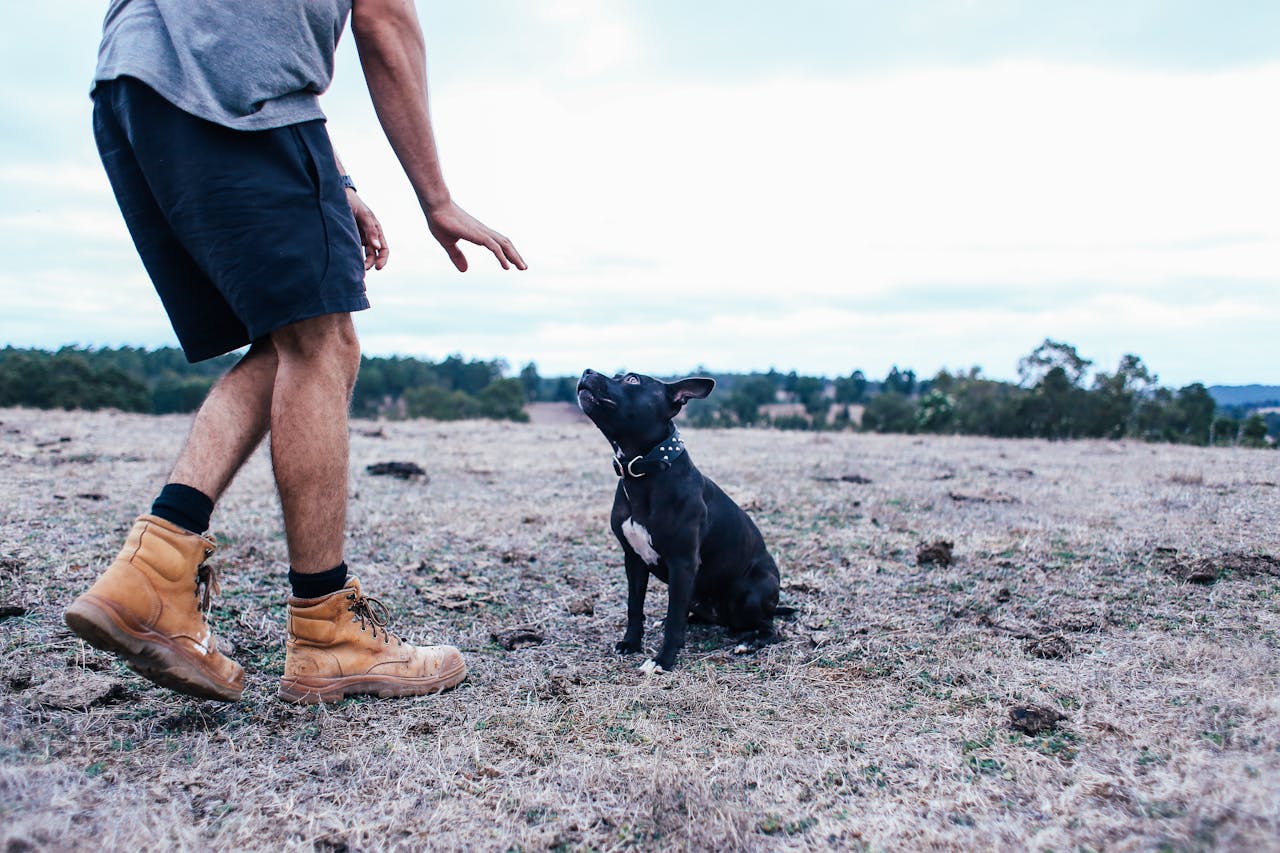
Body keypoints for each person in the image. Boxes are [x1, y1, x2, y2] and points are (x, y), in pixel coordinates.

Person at [64, 0, 526, 704]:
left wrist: (333, 179)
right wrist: (436, 197)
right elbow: (384, 17)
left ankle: (154, 568)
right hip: (234, 91)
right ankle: (326, 631)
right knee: (324, 342)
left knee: (292, 337)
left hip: (137, 80)